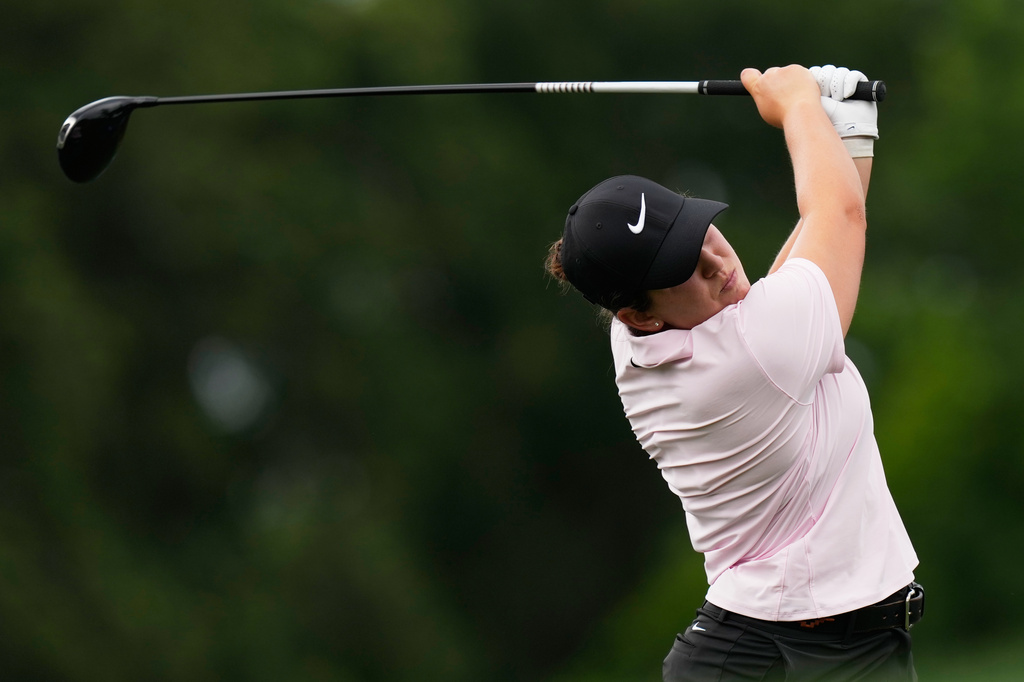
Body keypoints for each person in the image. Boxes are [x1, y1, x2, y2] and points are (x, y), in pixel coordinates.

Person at [545, 65, 923, 681]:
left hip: (739, 649)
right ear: (639, 312)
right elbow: (840, 217)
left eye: (700, 234)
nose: (716, 263)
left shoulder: (644, 341)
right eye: (683, 271)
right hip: (831, 651)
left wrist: (847, 131)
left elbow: (820, 240)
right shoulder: (755, 353)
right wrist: (798, 105)